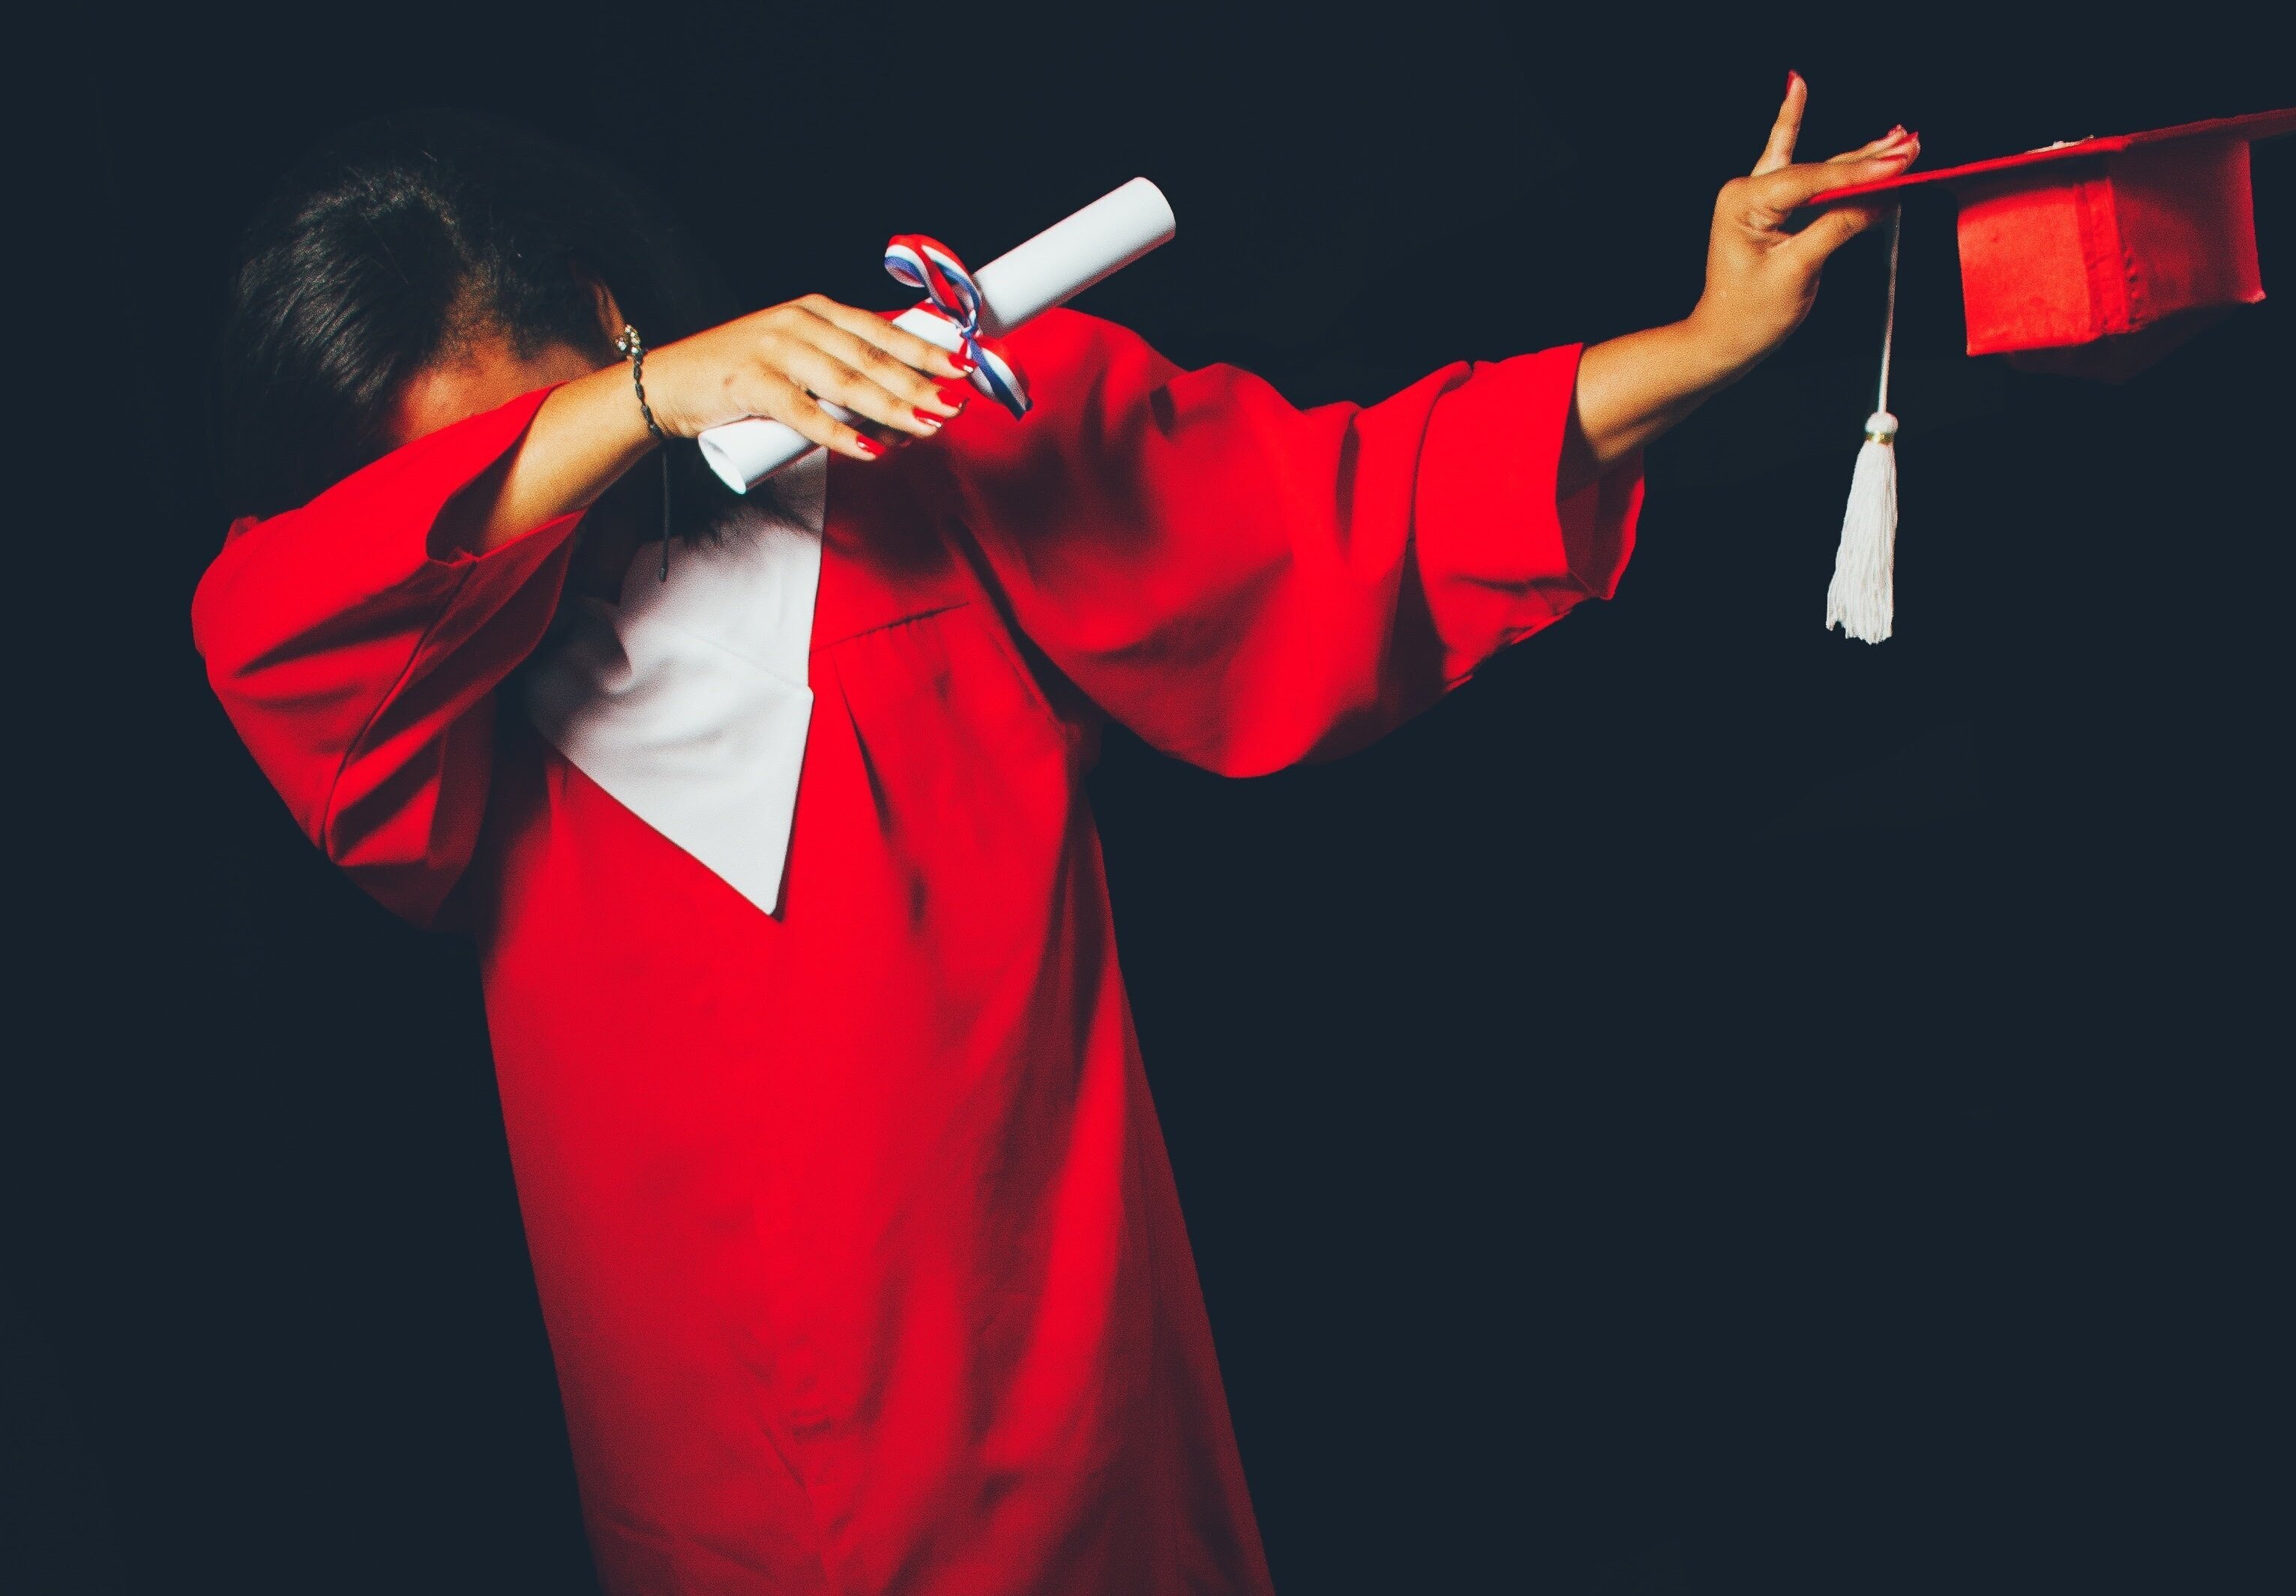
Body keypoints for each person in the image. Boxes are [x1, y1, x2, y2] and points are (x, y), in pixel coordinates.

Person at [195, 79, 1917, 1596]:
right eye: (485, 479)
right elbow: (278, 615)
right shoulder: (418, 702)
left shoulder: (926, 468)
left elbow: (1341, 515)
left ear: (602, 305)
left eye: (537, 419)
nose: (531, 517)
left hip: (1038, 1415)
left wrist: (1702, 344)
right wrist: (627, 414)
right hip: (705, 1497)